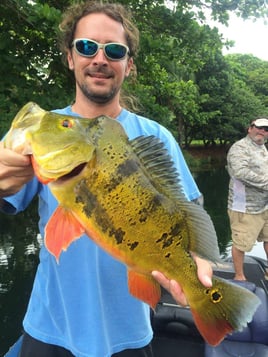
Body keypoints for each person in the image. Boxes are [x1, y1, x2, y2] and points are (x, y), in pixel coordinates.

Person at [0, 2, 212, 356]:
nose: (99, 58)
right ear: (70, 57)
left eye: (114, 50)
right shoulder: (46, 131)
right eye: (86, 46)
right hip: (50, 328)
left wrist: (196, 265)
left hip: (129, 333)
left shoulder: (156, 137)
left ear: (128, 65)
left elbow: (189, 214)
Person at [227, 118, 268, 281]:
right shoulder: (240, 148)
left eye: (266, 129)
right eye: (259, 128)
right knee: (240, 243)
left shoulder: (262, 148)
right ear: (250, 128)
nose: (262, 132)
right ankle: (239, 276)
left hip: (264, 205)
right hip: (244, 207)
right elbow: (240, 173)